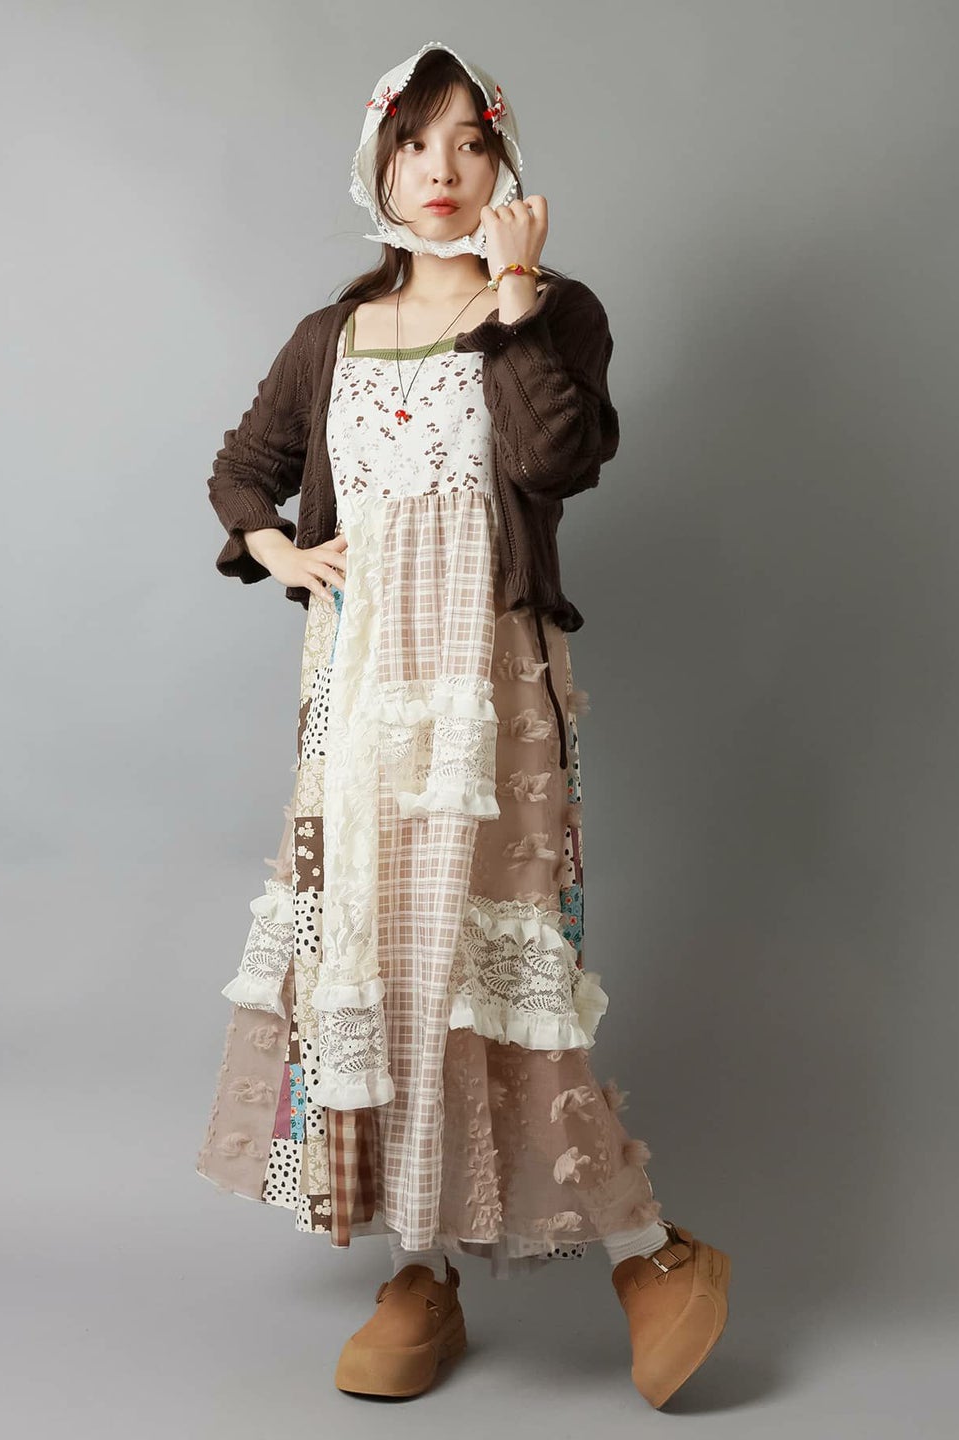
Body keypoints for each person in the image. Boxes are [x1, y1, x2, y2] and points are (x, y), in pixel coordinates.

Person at [195, 39, 730, 1406]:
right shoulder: (331, 335)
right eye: (416, 142)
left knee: (497, 963)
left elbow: (557, 459)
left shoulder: (555, 311)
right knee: (377, 958)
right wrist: (278, 548)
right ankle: (421, 1274)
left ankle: (650, 1252)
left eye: (470, 143)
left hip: (490, 688)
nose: (441, 169)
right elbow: (244, 470)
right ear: (379, 165)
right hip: (357, 693)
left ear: (505, 166)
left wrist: (515, 296)